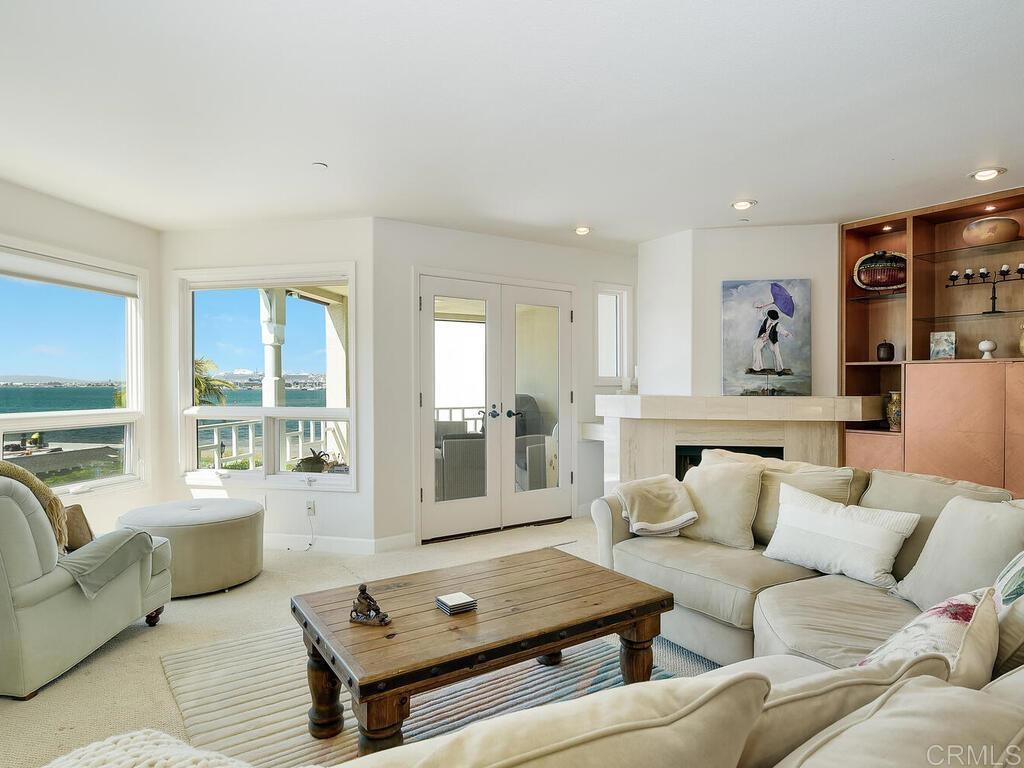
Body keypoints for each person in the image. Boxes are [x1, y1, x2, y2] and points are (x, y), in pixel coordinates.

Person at [752, 302, 792, 373]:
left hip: (772, 339)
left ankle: (779, 369)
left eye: (773, 319)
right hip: (763, 336)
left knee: (776, 352)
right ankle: (758, 367)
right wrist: (760, 309)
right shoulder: (765, 319)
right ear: (769, 317)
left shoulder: (777, 324)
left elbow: (782, 330)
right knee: (755, 347)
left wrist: (787, 334)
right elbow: (759, 316)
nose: (772, 320)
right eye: (771, 319)